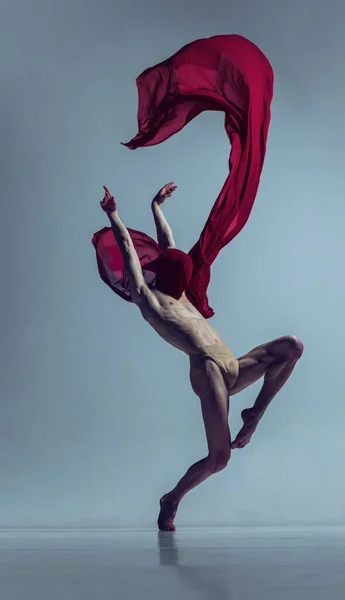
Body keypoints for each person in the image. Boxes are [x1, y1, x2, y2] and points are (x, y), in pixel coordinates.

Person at [99, 182, 304, 531]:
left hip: (230, 364)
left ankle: (254, 414)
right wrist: (114, 215)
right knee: (220, 458)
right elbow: (130, 254)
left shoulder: (181, 296)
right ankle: (172, 498)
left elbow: (168, 246)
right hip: (207, 369)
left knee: (292, 346)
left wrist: (156, 206)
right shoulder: (148, 300)